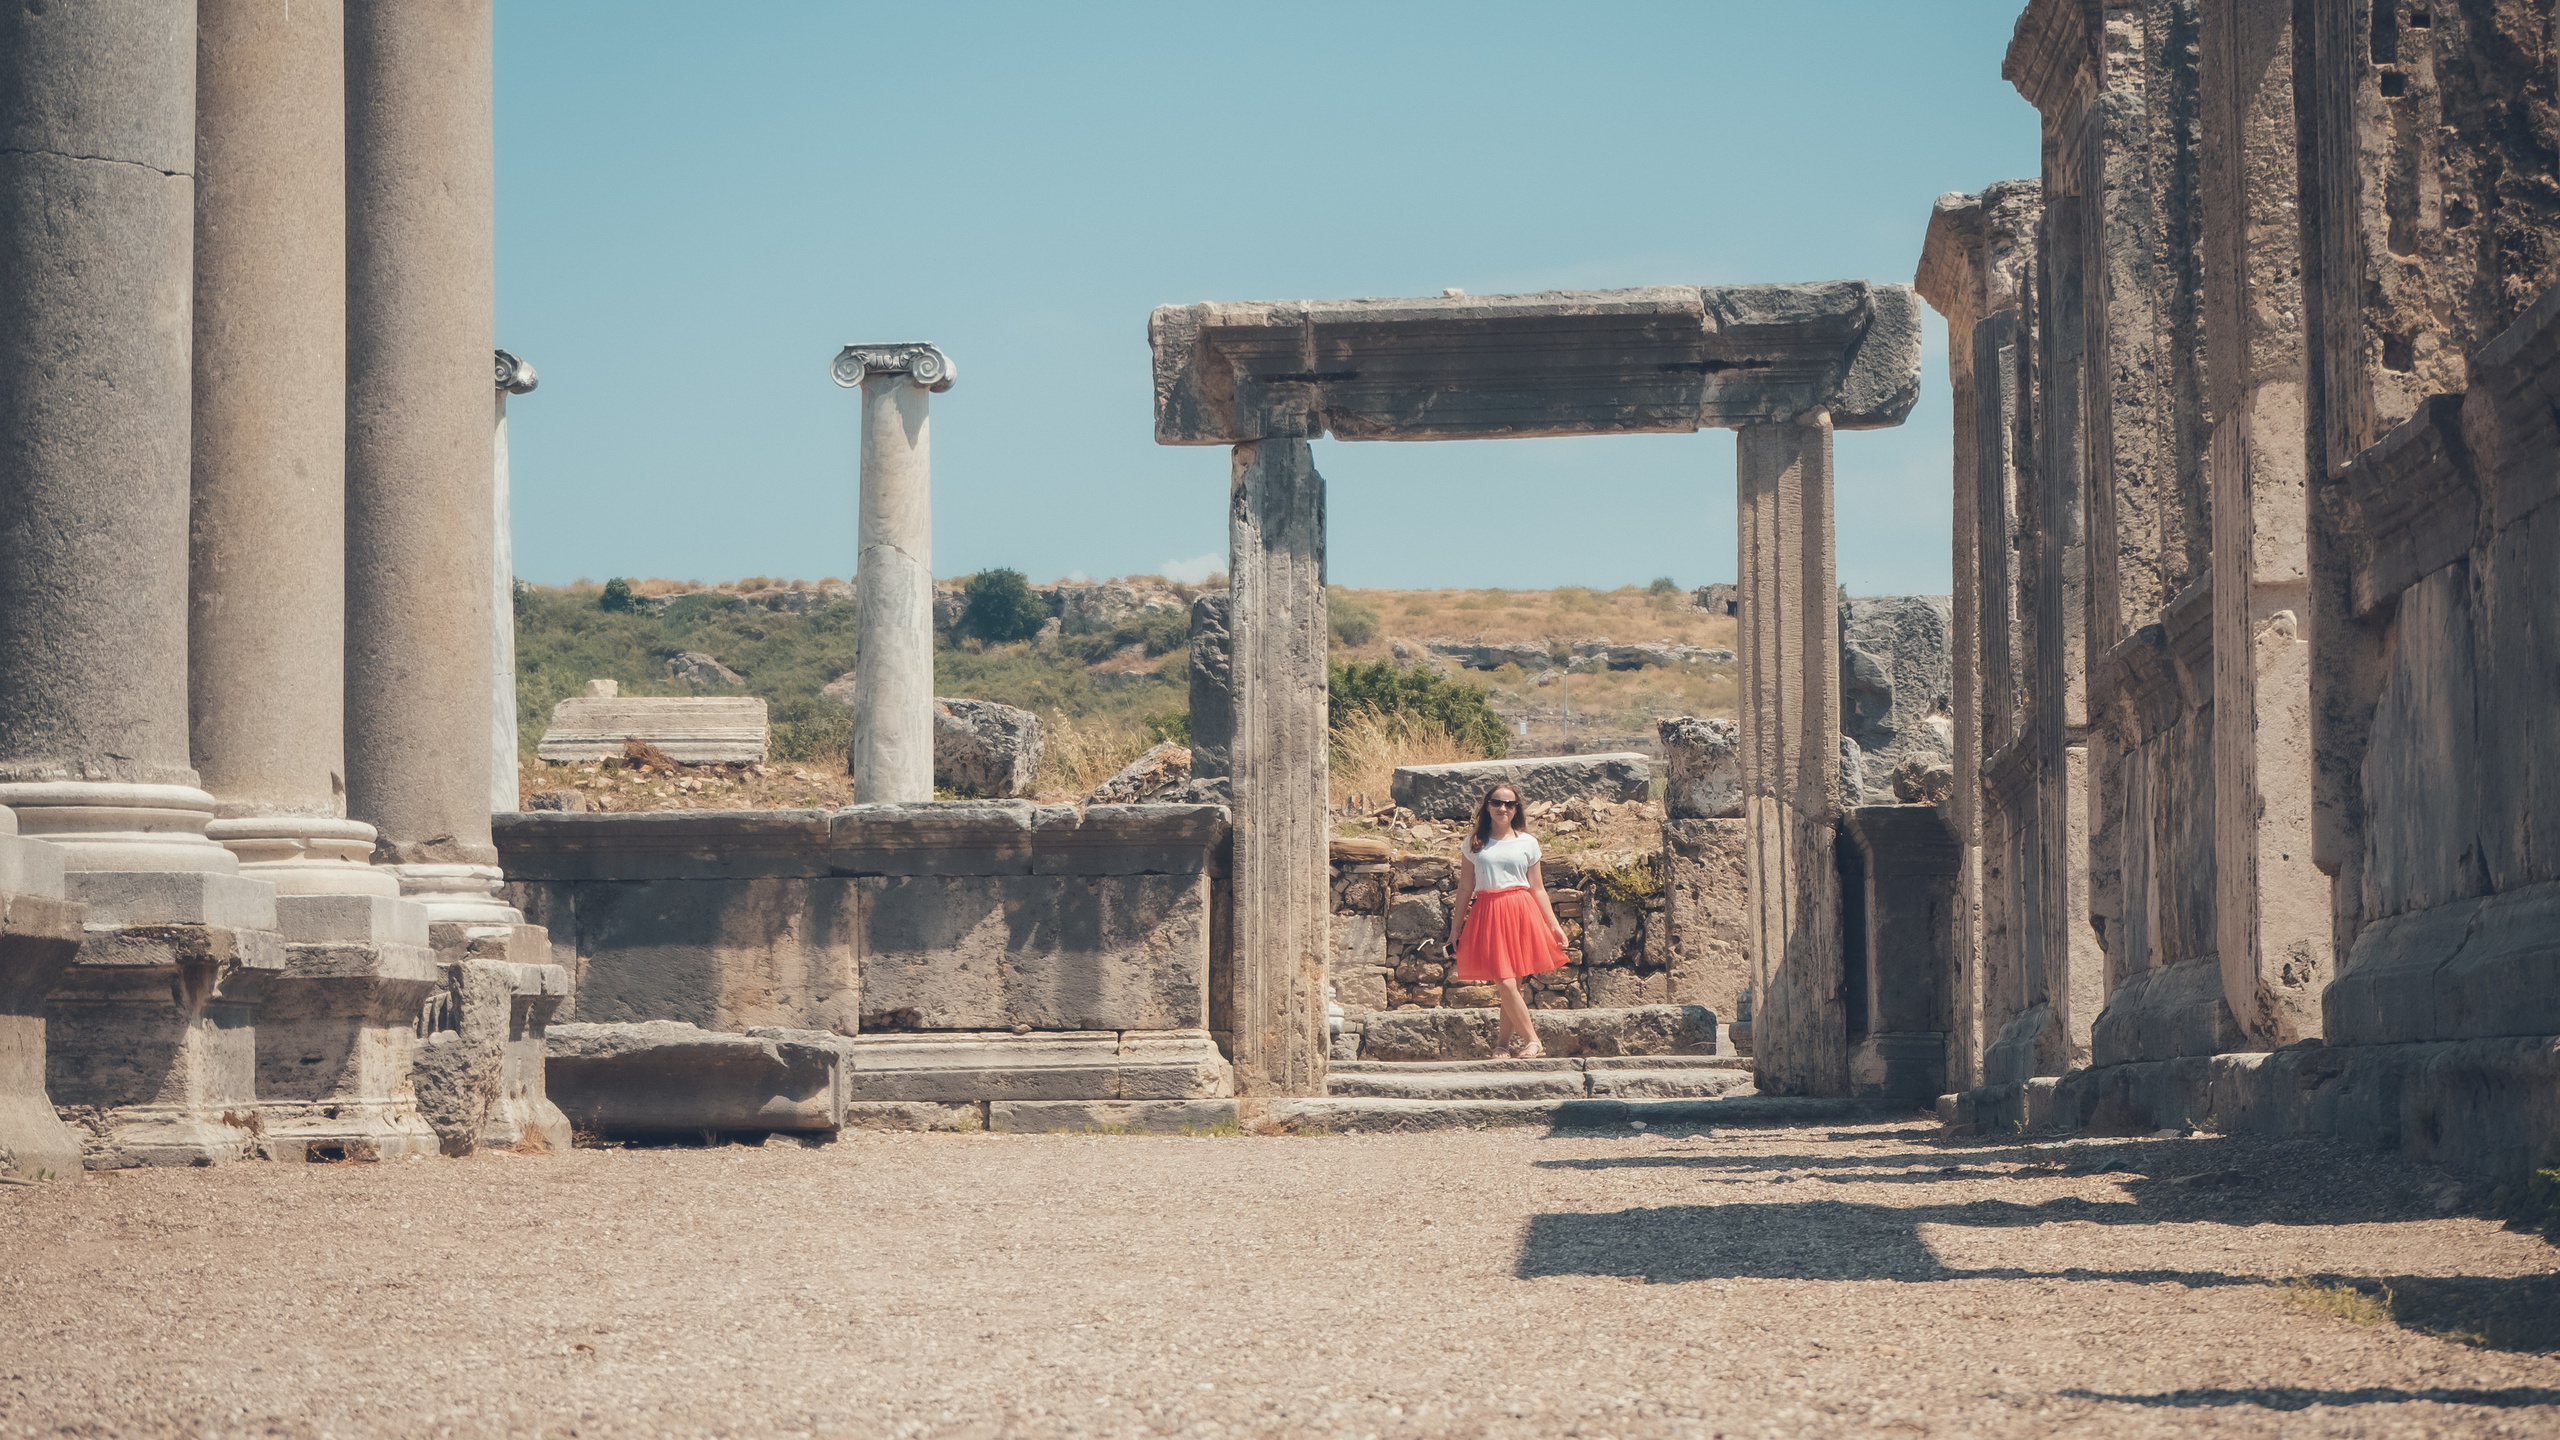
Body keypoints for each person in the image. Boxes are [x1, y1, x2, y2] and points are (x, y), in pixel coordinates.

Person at [1447, 781, 1570, 1057]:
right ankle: (1533, 1040)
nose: (1503, 808)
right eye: (1497, 803)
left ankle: (1503, 1044)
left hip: (1520, 911)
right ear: (1487, 806)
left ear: (1516, 809)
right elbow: (1465, 888)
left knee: (1512, 984)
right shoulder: (1473, 843)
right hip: (1488, 911)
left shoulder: (1527, 842)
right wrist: (1456, 930)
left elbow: (1537, 888)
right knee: (1504, 981)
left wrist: (1554, 925)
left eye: (1509, 804)